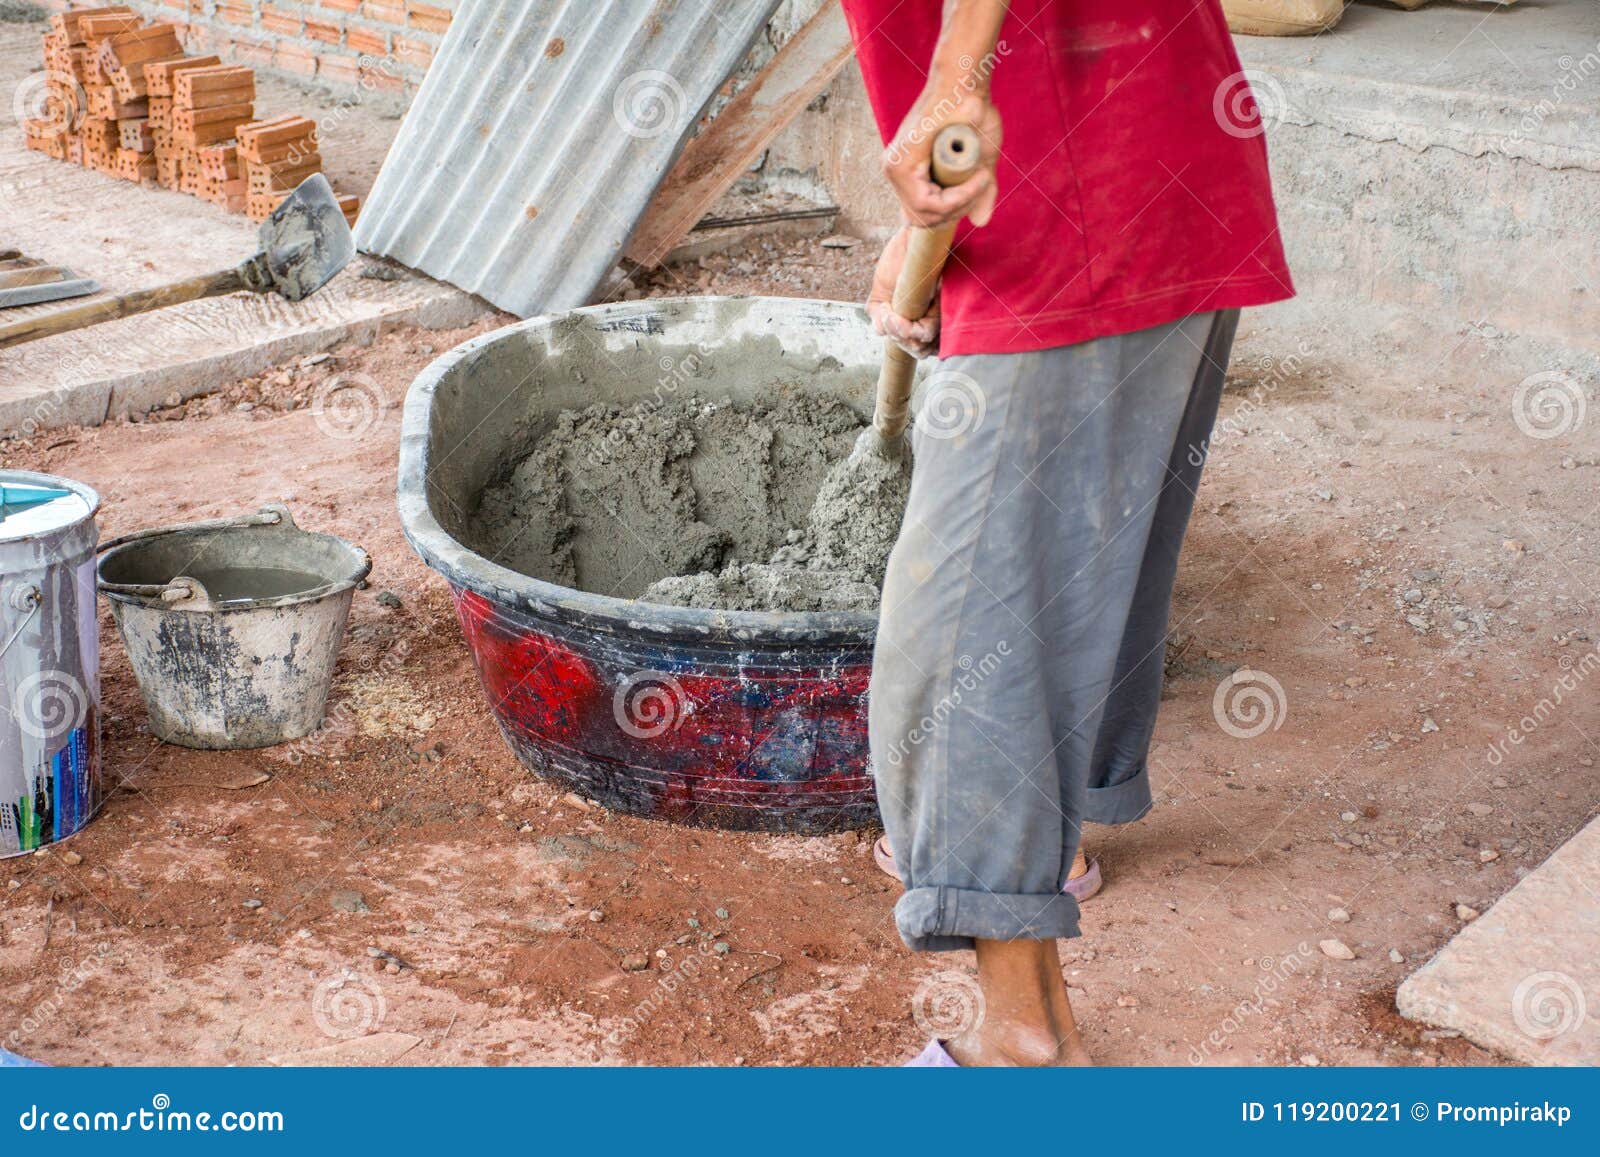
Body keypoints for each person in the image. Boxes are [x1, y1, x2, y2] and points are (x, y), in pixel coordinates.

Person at [841, 0, 1294, 1066]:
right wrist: (926, 222)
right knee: (1086, 540)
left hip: (1064, 175)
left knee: (957, 636)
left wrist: (957, 82)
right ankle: (1058, 833)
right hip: (1120, 148)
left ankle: (1022, 1042)